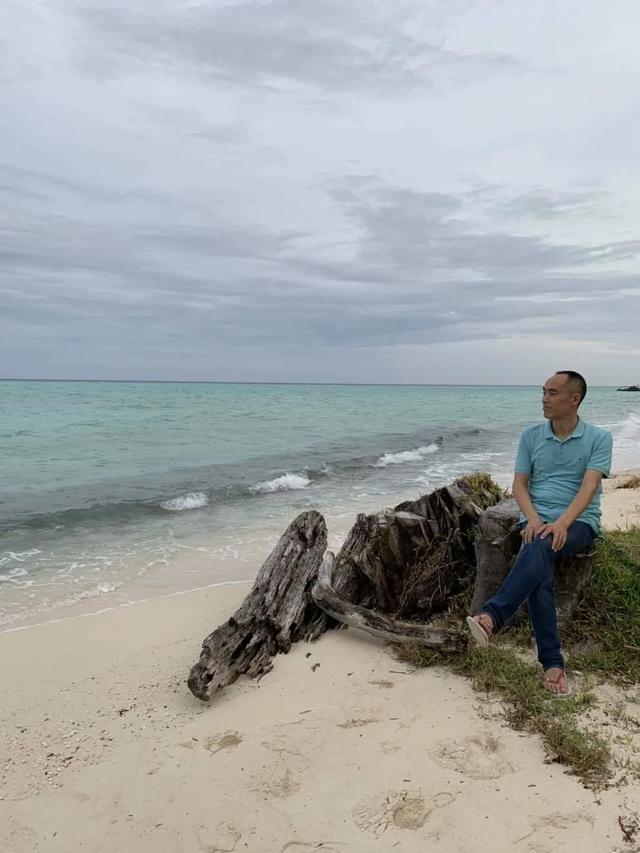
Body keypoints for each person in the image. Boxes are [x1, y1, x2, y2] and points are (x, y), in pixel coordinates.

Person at [466, 371, 613, 697]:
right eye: (543, 392)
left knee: (541, 546)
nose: (544, 398)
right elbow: (520, 484)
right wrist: (532, 519)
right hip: (536, 521)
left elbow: (589, 488)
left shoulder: (599, 439)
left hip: (578, 522)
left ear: (574, 399)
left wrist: (561, 523)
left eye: (553, 393)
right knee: (538, 553)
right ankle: (552, 664)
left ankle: (492, 616)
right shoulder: (531, 436)